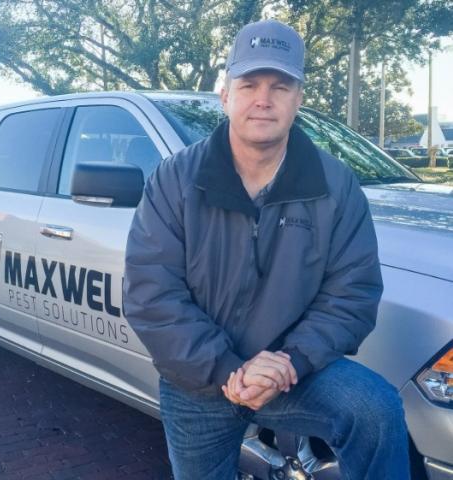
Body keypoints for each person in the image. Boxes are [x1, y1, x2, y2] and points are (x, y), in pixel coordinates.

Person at [123, 19, 410, 480]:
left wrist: (289, 363)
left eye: (280, 86)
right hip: (198, 378)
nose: (264, 99)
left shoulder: (336, 185)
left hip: (293, 372)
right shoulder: (174, 180)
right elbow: (151, 293)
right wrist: (227, 370)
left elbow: (352, 293)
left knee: (375, 408)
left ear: (298, 99)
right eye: (249, 84)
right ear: (225, 96)